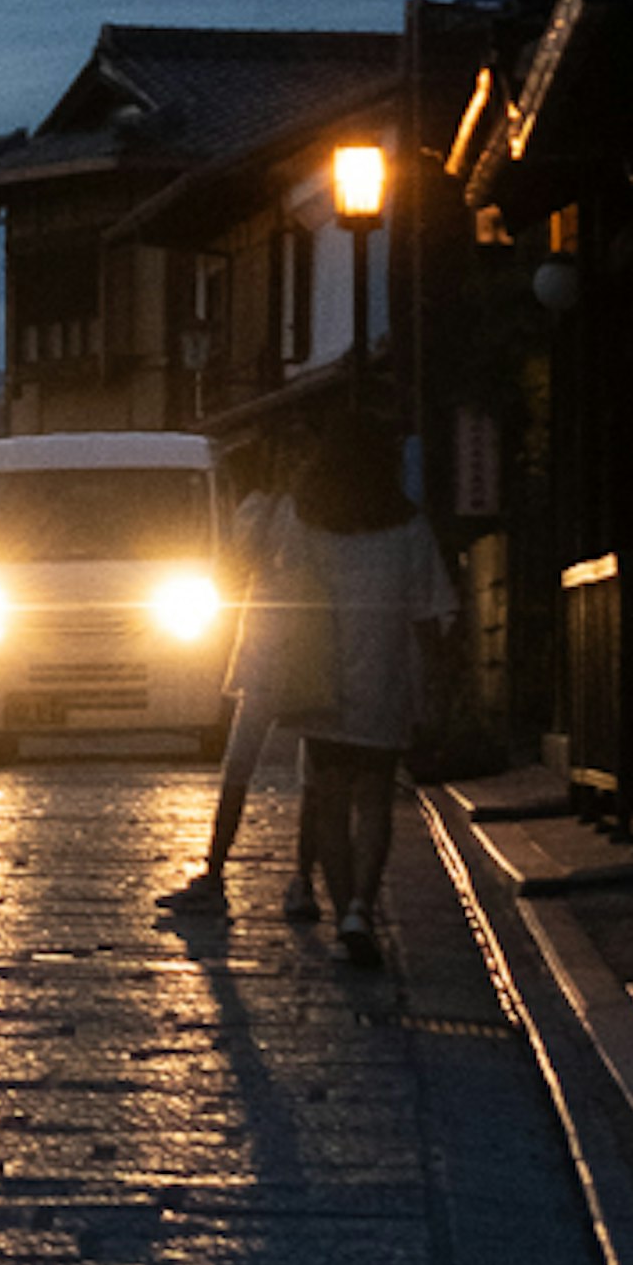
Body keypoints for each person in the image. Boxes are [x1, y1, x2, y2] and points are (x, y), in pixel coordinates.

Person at [282, 385, 456, 970]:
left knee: (329, 802)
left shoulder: (308, 521)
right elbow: (431, 612)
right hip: (386, 673)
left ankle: (342, 913)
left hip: (322, 675)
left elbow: (285, 592)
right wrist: (436, 681)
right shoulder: (408, 526)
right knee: (375, 800)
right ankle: (362, 904)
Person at [152, 426, 327, 927]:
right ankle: (303, 881)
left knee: (238, 768)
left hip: (267, 652)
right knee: (312, 774)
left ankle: (215, 874)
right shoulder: (322, 517)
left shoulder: (260, 510)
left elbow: (232, 569)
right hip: (315, 649)